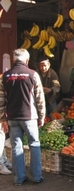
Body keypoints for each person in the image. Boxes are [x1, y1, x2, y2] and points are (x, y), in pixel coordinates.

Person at [1, 48, 46, 185]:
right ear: (27, 60)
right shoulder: (33, 74)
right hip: (29, 116)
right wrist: (42, 115)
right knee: (34, 144)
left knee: (16, 146)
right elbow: (39, 98)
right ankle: (37, 176)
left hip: (12, 118)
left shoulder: (5, 76)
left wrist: (2, 118)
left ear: (14, 60)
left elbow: (1, 99)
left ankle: (19, 178)